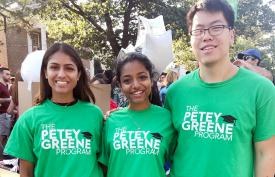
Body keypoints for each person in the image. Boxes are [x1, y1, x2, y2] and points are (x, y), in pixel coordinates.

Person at [164, 1, 275, 177]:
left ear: (232, 35)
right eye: (198, 30)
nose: (206, 36)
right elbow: (164, 147)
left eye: (216, 27)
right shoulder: (175, 92)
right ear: (191, 38)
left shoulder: (262, 90)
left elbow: (266, 154)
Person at [4, 43, 104, 177]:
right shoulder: (29, 119)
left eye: (69, 68)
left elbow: (104, 165)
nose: (61, 74)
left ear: (78, 74)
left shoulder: (95, 114)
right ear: (45, 72)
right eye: (54, 67)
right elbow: (26, 173)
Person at [99, 52, 176, 177]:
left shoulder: (167, 119)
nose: (135, 85)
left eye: (142, 77)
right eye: (127, 80)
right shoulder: (111, 121)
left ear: (151, 80)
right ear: (120, 85)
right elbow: (104, 168)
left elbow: (177, 162)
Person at [0, 67, 12, 157]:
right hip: (2, 114)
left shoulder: (5, 86)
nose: (9, 76)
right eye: (7, 74)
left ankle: (4, 155)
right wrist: (9, 99)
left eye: (9, 74)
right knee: (2, 136)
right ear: (1, 74)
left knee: (5, 136)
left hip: (6, 114)